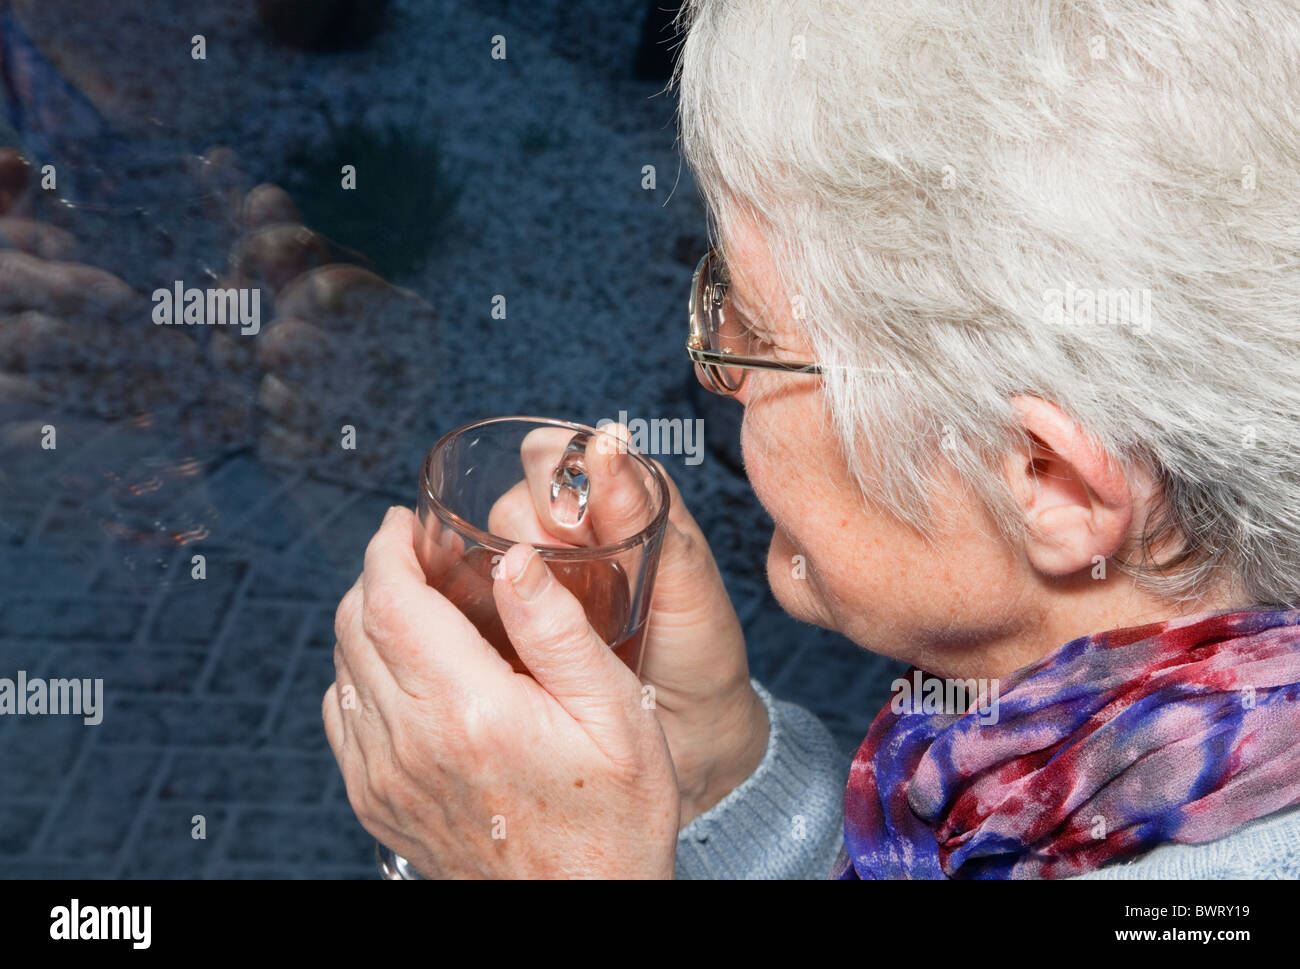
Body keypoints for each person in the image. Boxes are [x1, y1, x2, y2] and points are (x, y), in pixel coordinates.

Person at [323, 0, 1300, 878]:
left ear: (1048, 482)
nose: (718, 373)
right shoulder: (1089, 761)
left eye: (751, 331)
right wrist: (716, 766)